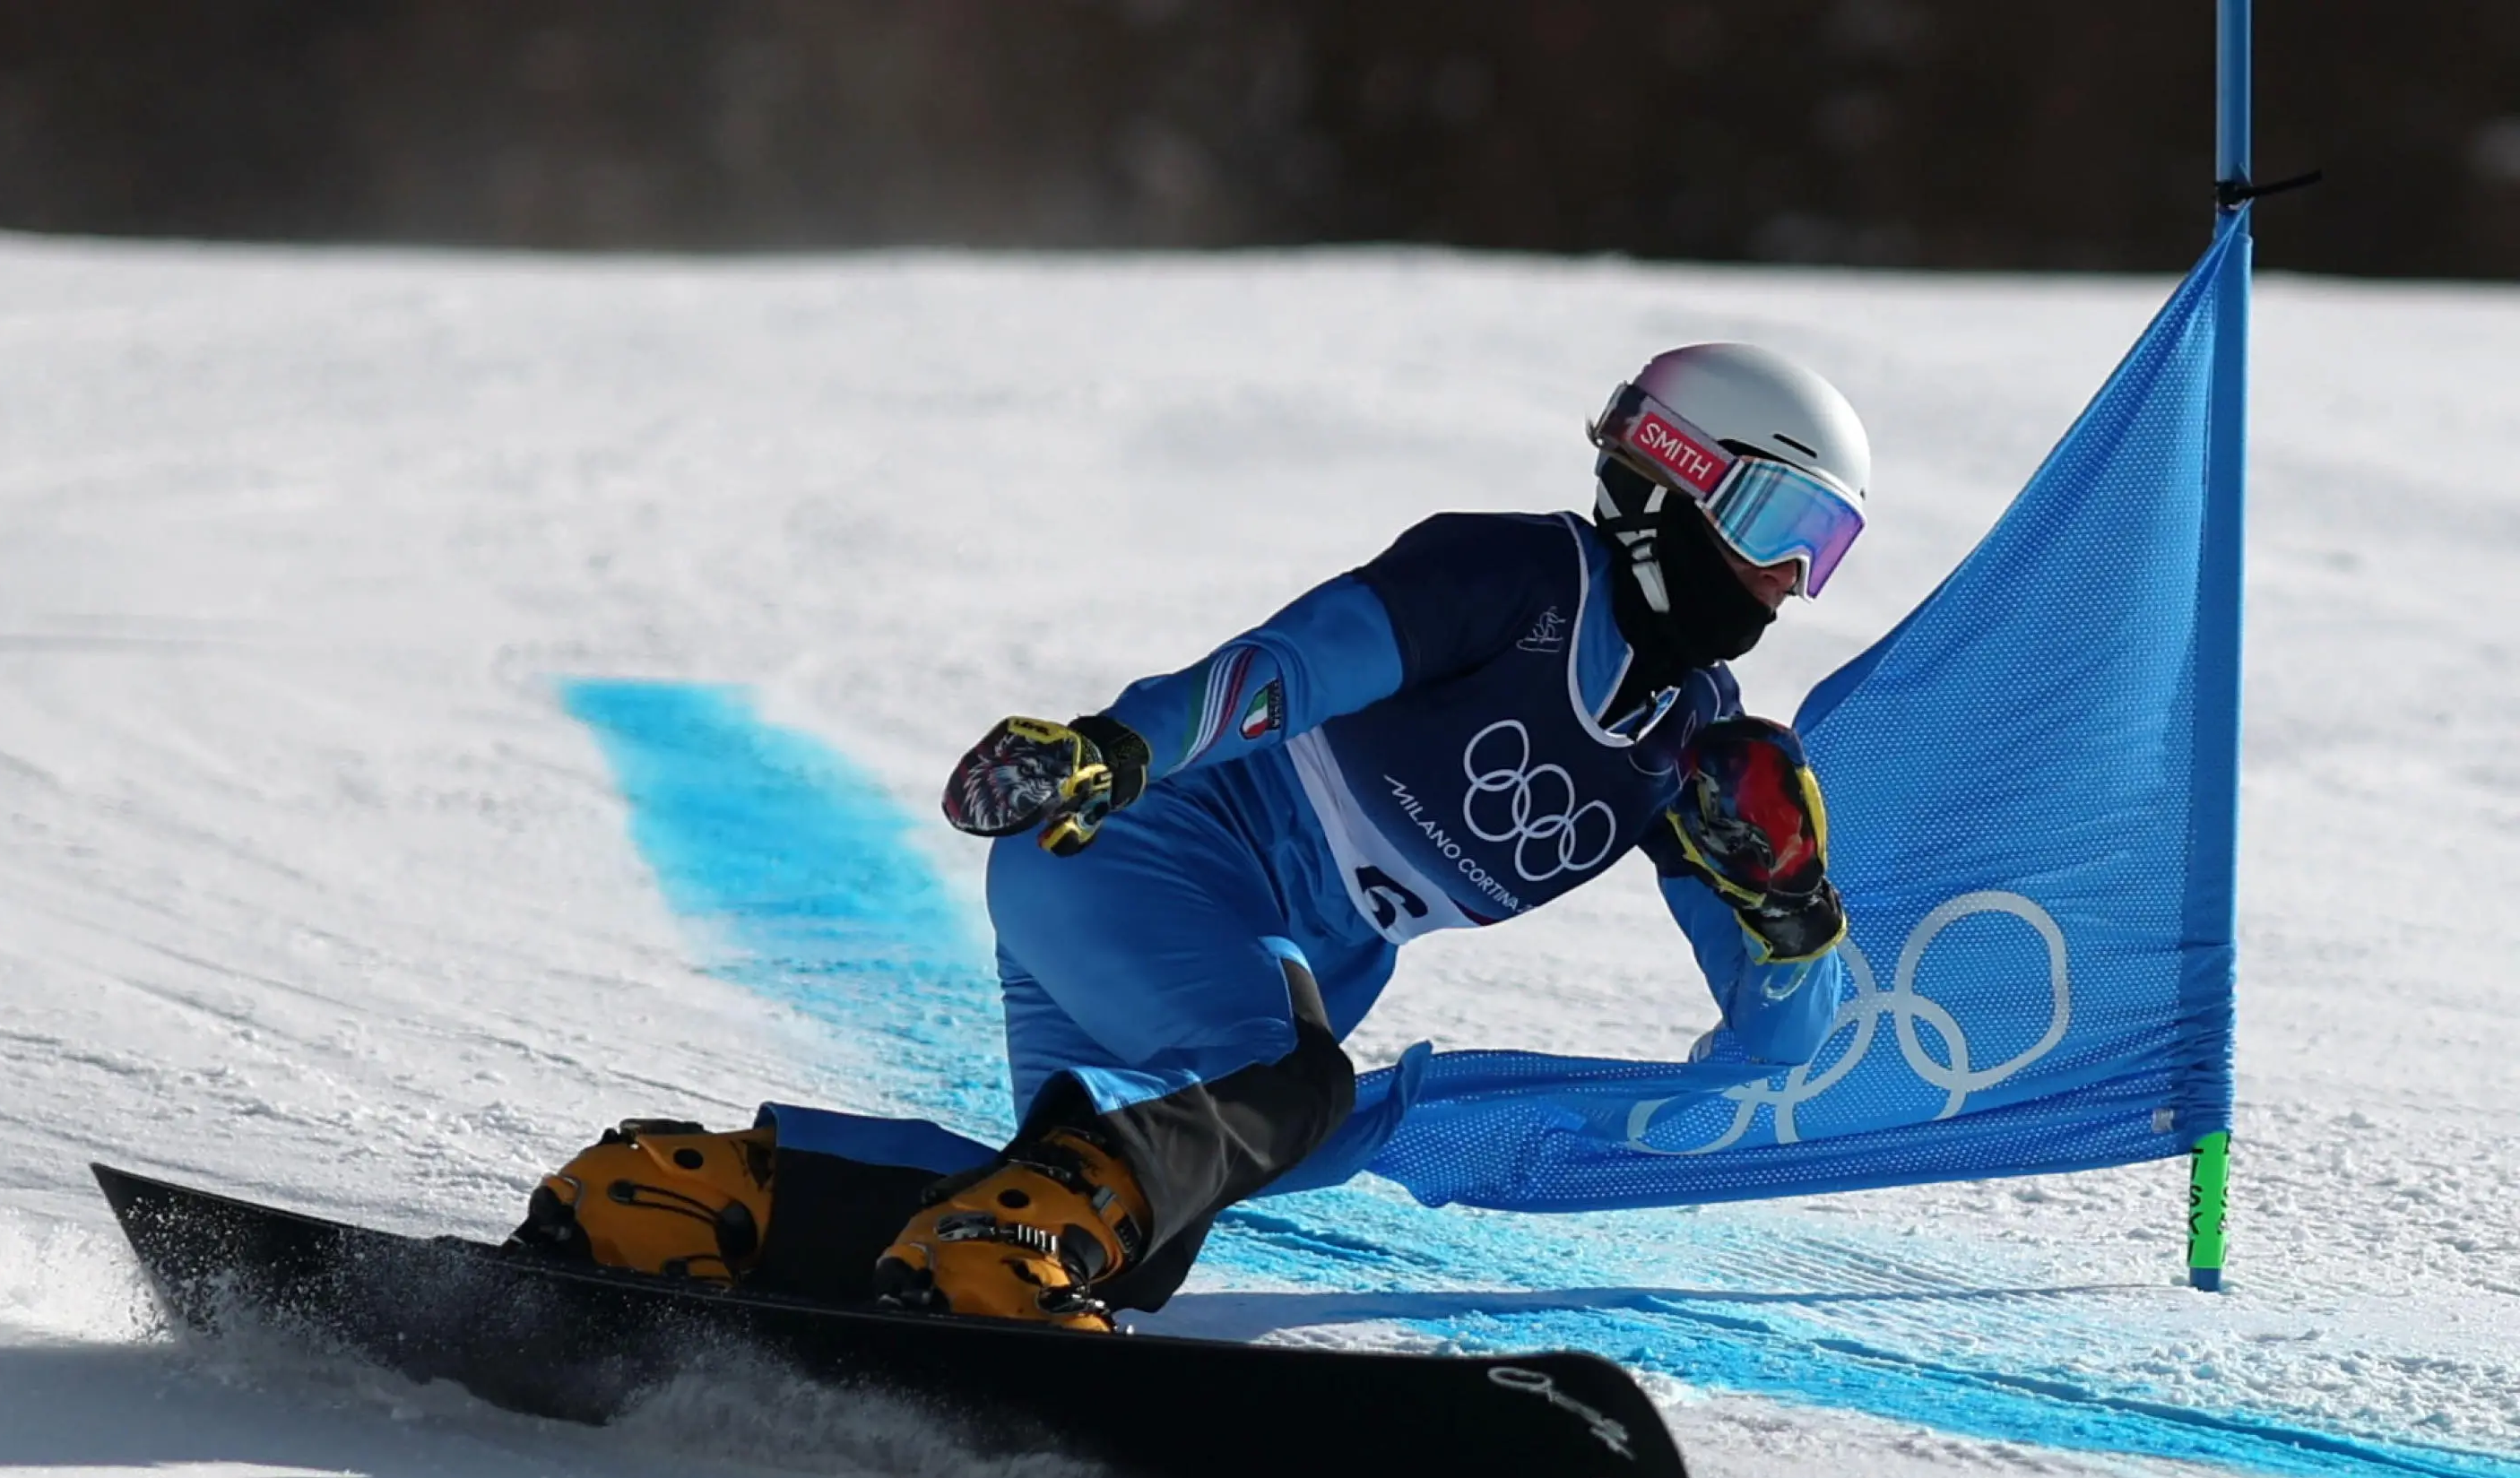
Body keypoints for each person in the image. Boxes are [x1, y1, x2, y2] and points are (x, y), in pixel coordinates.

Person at [515, 343, 1868, 1329]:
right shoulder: (1514, 581)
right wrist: (1122, 745)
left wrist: (1793, 914)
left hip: (1254, 964)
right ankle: (974, 1245)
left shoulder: (1701, 756)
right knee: (1285, 1094)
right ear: (1670, 475)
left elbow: (1774, 1053)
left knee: (1121, 1234)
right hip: (1144, 854)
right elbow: (1292, 663)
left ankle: (685, 1195)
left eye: (1823, 549)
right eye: (1773, 524)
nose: (1785, 583)